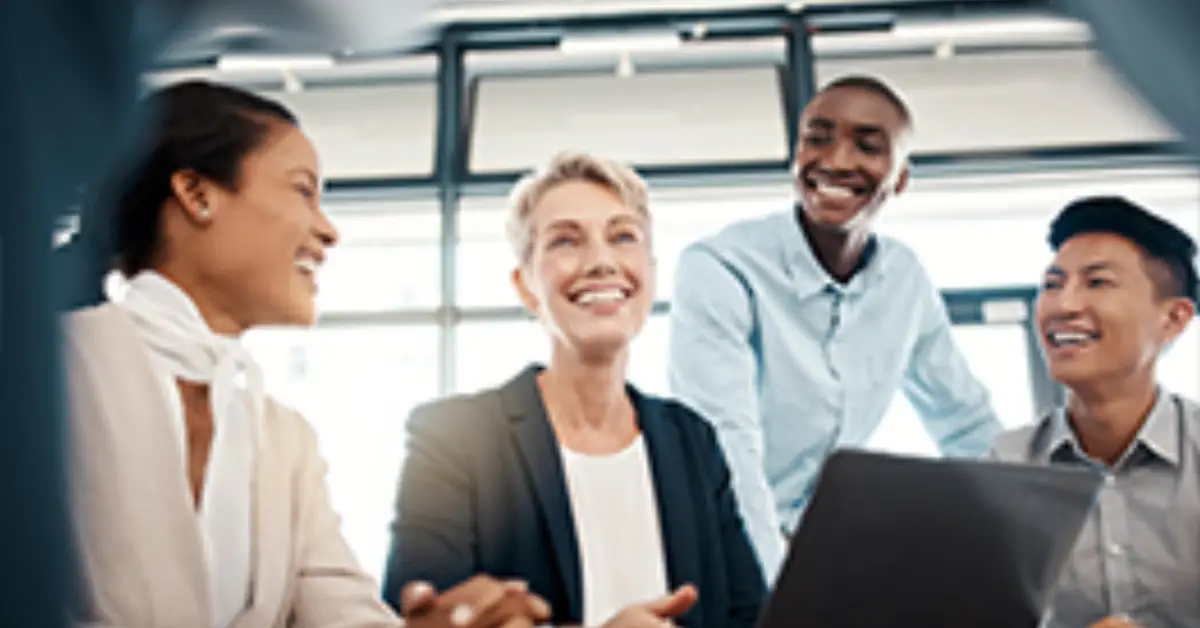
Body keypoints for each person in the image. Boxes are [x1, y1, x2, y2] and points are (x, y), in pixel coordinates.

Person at [61, 79, 550, 628]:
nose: (329, 230)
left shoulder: (285, 442)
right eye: (303, 191)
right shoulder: (47, 375)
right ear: (198, 196)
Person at [382, 152, 767, 627]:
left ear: (648, 271)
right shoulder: (455, 437)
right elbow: (424, 620)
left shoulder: (692, 440)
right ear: (525, 287)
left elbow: (751, 618)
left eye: (623, 237)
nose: (602, 262)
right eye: (566, 241)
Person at [666, 74, 1003, 578]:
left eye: (867, 146)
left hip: (822, 549)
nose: (837, 161)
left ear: (900, 177)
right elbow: (728, 447)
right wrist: (773, 590)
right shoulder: (720, 267)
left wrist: (1032, 543)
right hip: (723, 547)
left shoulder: (904, 280)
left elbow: (967, 425)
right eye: (817, 138)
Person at [990, 197, 1199, 628]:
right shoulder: (1000, 471)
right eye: (1052, 284)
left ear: (1173, 318)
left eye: (1097, 283)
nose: (1064, 305)